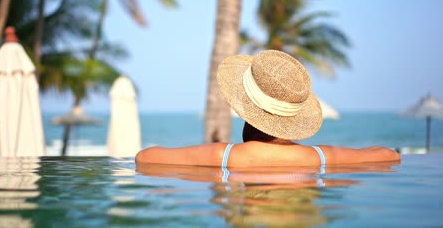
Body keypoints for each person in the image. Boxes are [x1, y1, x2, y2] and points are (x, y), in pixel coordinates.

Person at [136, 50, 400, 167]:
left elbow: (145, 157)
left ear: (246, 110)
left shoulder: (221, 157)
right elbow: (389, 156)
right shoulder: (320, 158)